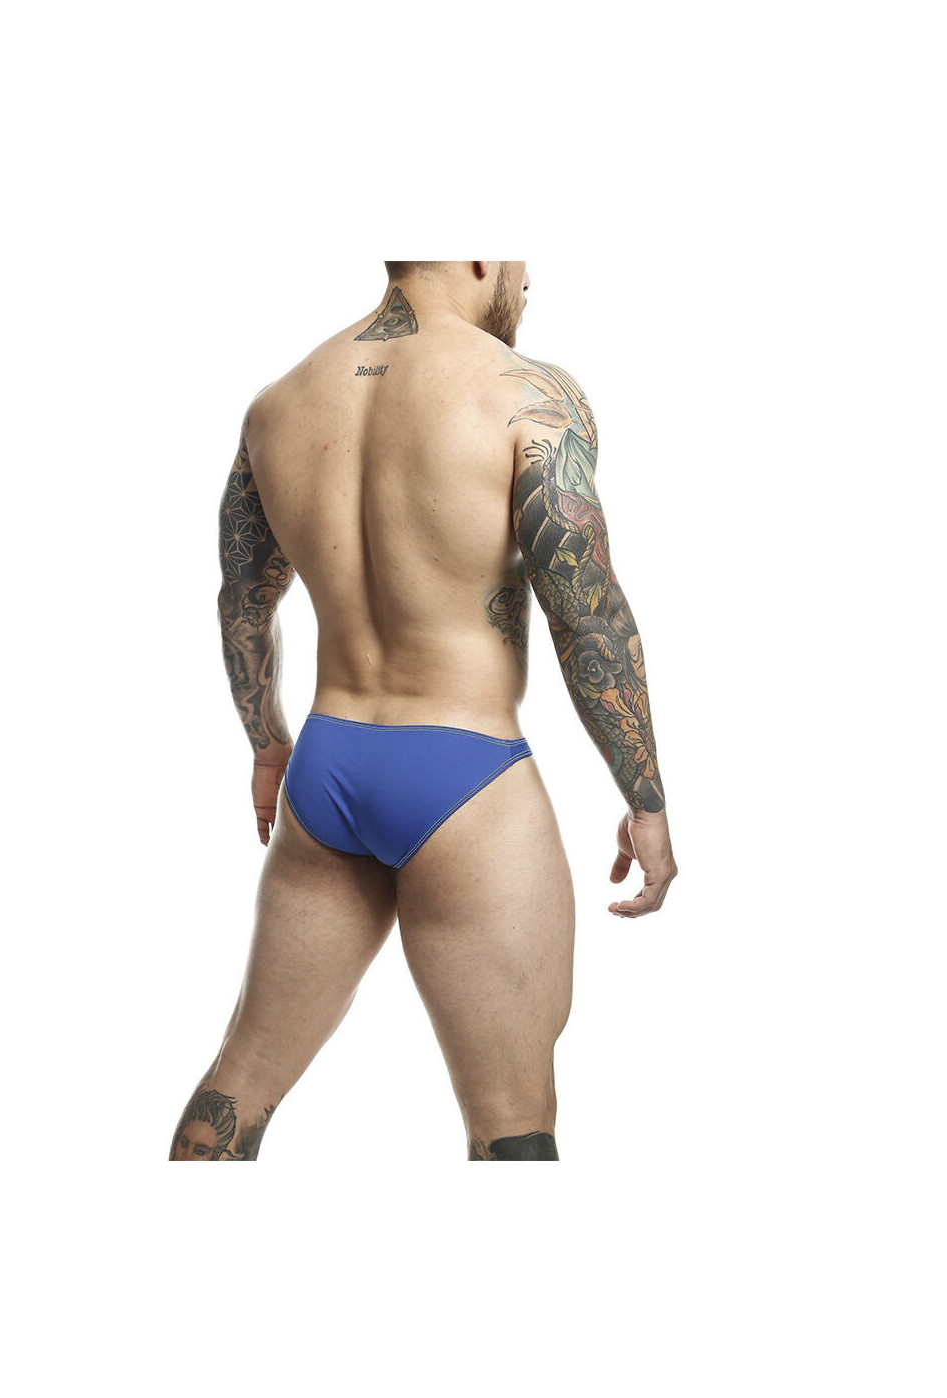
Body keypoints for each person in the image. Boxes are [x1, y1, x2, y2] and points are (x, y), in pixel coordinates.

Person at [168, 261, 678, 1162]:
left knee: (237, 1084)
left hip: (326, 769)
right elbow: (587, 612)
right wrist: (645, 799)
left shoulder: (280, 404)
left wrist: (267, 746)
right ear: (479, 254)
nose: (528, 276)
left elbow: (242, 602)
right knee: (513, 1123)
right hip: (467, 779)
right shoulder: (527, 396)